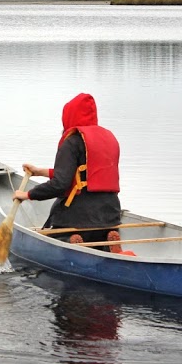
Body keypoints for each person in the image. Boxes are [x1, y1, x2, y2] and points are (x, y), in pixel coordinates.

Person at [13, 93, 123, 250]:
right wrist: (39, 171)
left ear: (69, 116)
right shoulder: (108, 139)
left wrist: (27, 195)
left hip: (76, 219)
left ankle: (69, 240)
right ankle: (109, 240)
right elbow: (83, 175)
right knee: (103, 234)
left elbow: (60, 184)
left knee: (54, 231)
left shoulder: (71, 142)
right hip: (110, 216)